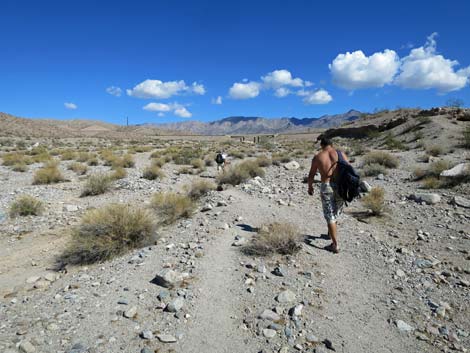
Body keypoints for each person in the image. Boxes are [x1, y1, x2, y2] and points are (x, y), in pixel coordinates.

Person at [307, 137, 348, 254]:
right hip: (341, 186)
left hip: (326, 186)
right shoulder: (341, 154)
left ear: (322, 145)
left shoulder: (318, 157)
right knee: (336, 212)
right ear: (331, 144)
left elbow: (311, 175)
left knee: (329, 215)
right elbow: (349, 170)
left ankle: (335, 245)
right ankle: (330, 233)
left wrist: (310, 187)